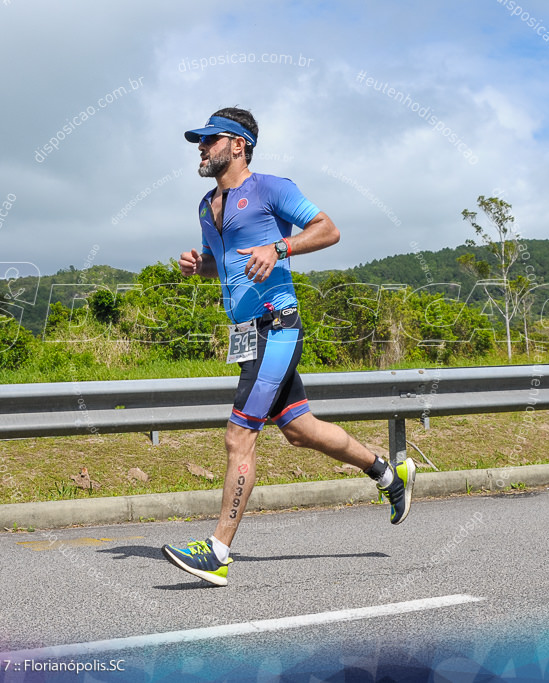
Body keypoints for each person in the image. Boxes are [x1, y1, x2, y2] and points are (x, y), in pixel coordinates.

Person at [161, 107, 415, 586]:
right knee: (299, 429)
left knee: (240, 436)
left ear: (238, 144)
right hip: (246, 335)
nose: (201, 147)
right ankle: (387, 474)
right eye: (200, 140)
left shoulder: (271, 188)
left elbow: (328, 229)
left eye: (210, 139)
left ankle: (216, 551)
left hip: (276, 327)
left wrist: (279, 248)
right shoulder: (205, 205)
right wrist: (202, 268)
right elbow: (226, 265)